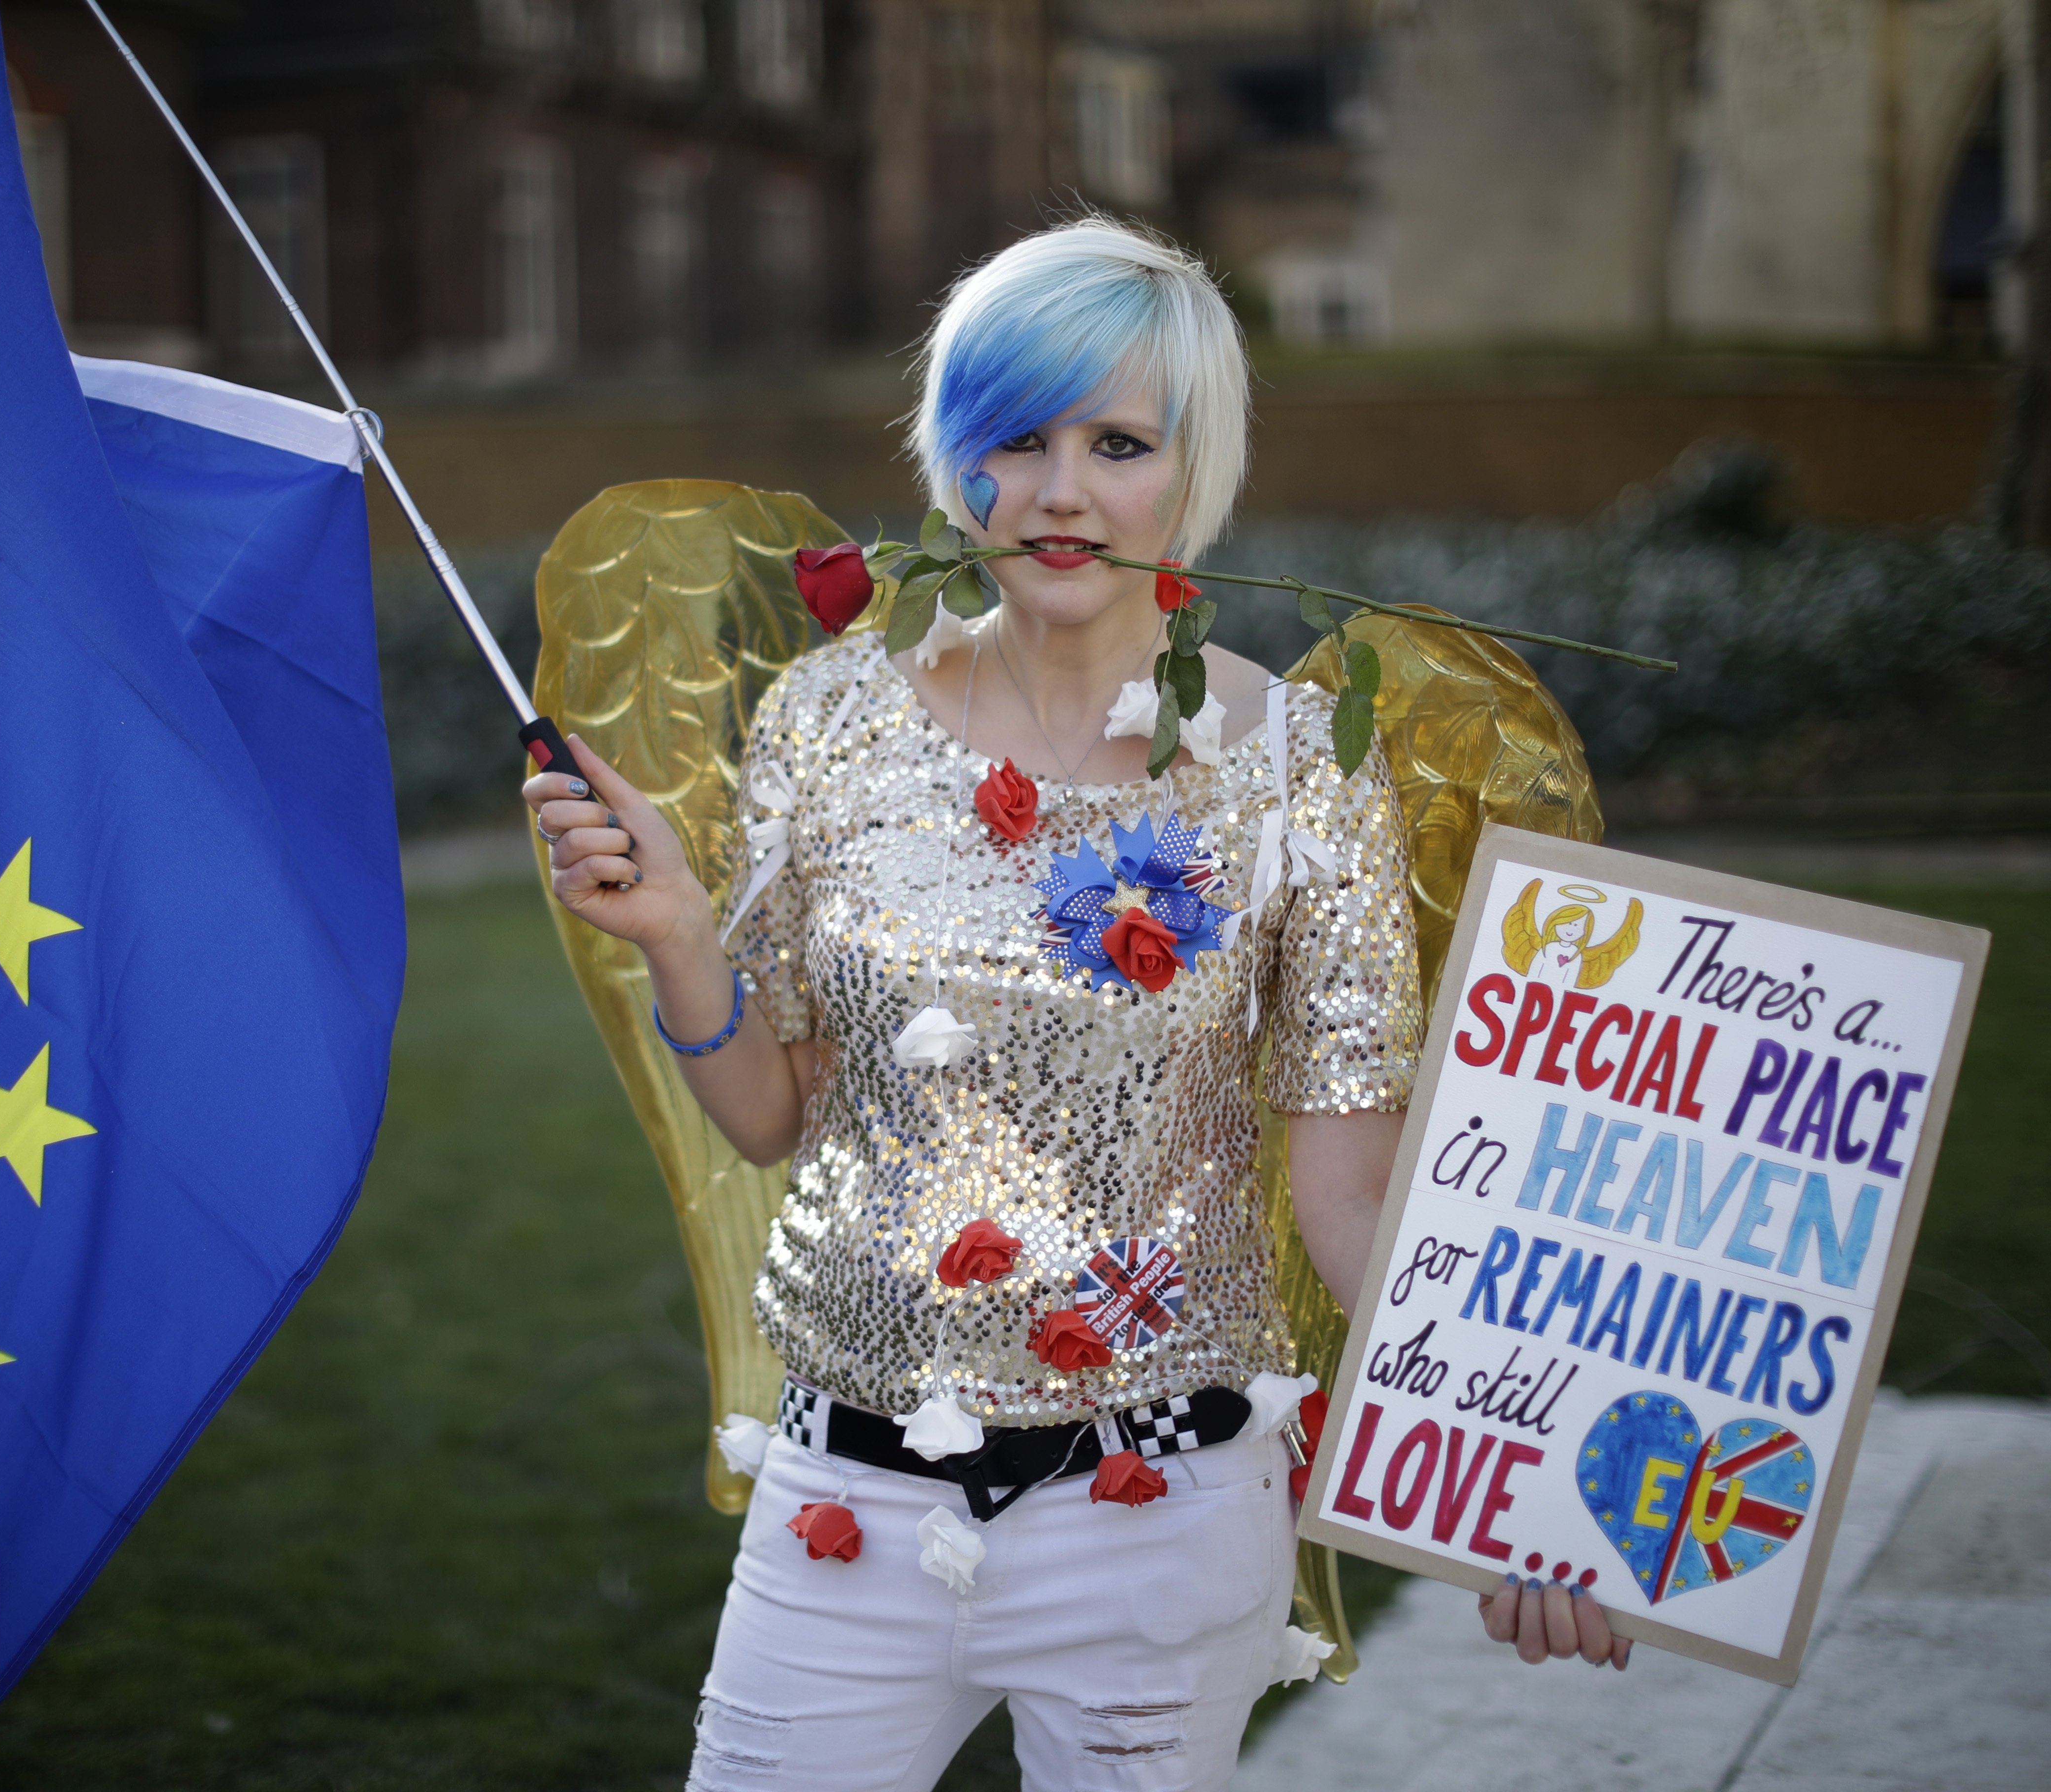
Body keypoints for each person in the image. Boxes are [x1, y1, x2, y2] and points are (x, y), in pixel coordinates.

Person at [526, 218, 1625, 1792]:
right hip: (847, 1508)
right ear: (950, 457)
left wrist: (1520, 1487)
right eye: (1016, 440)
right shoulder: (830, 722)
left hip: (1161, 1526)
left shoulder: (1301, 767)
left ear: (1194, 471)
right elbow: (775, 1113)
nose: (1059, 493)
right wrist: (685, 937)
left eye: (1117, 444)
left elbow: (1356, 1196)